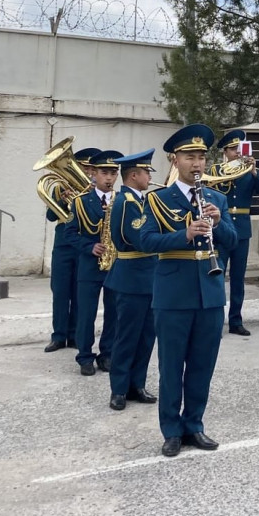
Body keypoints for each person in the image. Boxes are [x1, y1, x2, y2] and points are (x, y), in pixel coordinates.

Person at [139, 124, 237, 457]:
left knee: (202, 364)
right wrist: (185, 234)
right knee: (171, 366)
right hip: (173, 294)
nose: (197, 163)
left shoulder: (217, 199)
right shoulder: (157, 200)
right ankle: (171, 430)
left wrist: (219, 223)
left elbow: (234, 241)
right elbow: (145, 241)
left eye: (201, 157)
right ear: (175, 160)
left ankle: (194, 424)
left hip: (209, 292)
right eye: (189, 157)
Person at [103, 149, 158, 411]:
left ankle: (137, 384)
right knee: (127, 336)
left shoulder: (141, 201)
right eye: (146, 172)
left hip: (148, 277)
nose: (149, 176)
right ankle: (119, 389)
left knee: (146, 336)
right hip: (132, 277)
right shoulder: (127, 202)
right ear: (134, 175)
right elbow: (136, 237)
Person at [64, 148, 121, 376]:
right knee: (86, 313)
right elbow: (69, 233)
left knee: (113, 313)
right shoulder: (79, 202)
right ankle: (84, 356)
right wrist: (89, 247)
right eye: (105, 173)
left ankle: (106, 354)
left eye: (113, 173)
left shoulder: (121, 201)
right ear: (94, 174)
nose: (109, 178)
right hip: (89, 266)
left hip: (114, 266)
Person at [210, 129, 259, 336]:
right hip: (221, 228)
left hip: (242, 230)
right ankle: (215, 319)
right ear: (225, 151)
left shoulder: (248, 171)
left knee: (238, 277)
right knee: (217, 275)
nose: (237, 152)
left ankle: (236, 320)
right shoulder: (216, 171)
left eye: (240, 148)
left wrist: (254, 172)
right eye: (233, 149)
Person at [42, 146, 98, 353]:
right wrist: (61, 198)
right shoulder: (61, 187)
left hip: (85, 242)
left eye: (93, 168)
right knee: (60, 290)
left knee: (79, 291)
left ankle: (75, 336)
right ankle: (58, 336)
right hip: (64, 243)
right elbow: (50, 216)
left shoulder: (97, 190)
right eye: (86, 167)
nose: (90, 172)